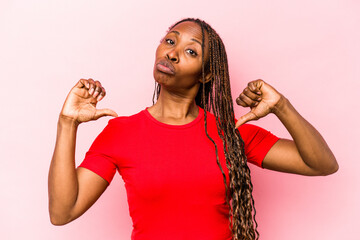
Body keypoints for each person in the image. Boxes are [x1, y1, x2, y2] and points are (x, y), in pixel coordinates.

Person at [48, 18, 338, 240]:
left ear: (207, 74)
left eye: (190, 51)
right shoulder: (120, 132)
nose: (172, 53)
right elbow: (63, 212)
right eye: (169, 41)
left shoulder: (231, 132)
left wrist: (281, 106)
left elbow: (322, 165)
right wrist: (67, 123)